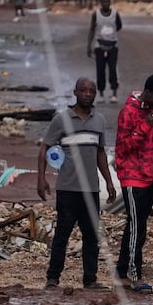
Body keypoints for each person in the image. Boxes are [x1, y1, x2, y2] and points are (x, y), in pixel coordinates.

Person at [37, 77, 116, 289]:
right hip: (67, 188)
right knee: (62, 235)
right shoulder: (62, 119)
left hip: (90, 189)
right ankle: (52, 278)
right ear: (75, 92)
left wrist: (109, 182)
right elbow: (45, 148)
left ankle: (90, 280)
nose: (88, 94)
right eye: (84, 90)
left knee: (91, 236)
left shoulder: (99, 121)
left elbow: (100, 153)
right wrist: (41, 178)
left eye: (92, 91)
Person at [114, 74, 153, 292]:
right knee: (136, 228)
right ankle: (134, 276)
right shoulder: (128, 112)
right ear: (147, 93)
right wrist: (144, 125)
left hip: (149, 176)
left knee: (138, 226)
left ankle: (121, 272)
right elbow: (124, 147)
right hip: (131, 176)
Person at [87, 0, 122, 104]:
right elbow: (92, 29)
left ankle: (114, 93)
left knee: (113, 70)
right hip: (99, 46)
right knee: (100, 70)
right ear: (100, 2)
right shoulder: (96, 14)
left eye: (108, 1)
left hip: (112, 46)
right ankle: (101, 93)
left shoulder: (115, 14)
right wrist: (89, 45)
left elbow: (119, 26)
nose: (106, 3)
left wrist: (110, 34)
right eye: (104, 1)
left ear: (110, 2)